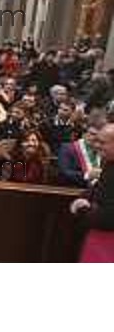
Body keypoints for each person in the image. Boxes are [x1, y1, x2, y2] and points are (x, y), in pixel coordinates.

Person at [71, 124, 114, 262]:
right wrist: (82, 198)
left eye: (102, 142)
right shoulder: (109, 164)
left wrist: (83, 209)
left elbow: (108, 217)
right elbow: (98, 189)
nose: (96, 145)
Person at [58, 111, 106, 187]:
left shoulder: (105, 151)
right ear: (85, 132)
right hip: (75, 193)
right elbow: (63, 174)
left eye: (98, 135)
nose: (94, 138)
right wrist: (87, 175)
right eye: (92, 134)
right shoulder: (68, 148)